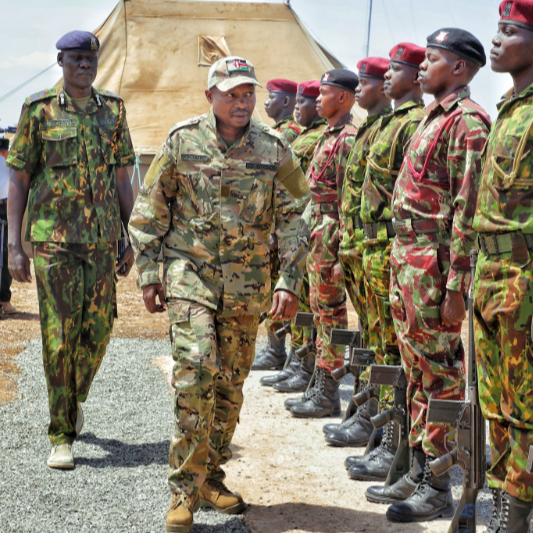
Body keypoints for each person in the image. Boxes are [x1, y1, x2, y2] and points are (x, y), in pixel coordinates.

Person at [128, 56, 309, 533]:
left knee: (229, 386)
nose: (242, 102)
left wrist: (290, 280)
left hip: (248, 288)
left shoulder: (275, 149)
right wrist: (150, 273)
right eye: (231, 94)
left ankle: (211, 476)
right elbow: (149, 213)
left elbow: (296, 217)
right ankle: (183, 491)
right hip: (190, 277)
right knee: (195, 372)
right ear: (210, 96)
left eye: (248, 93)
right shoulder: (181, 141)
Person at [6, 30, 135, 469]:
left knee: (96, 334)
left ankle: (72, 397)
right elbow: (19, 179)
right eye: (77, 58)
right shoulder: (38, 110)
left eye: (90, 59)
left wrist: (128, 235)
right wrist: (14, 246)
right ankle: (61, 433)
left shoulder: (113, 112)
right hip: (54, 242)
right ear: (60, 61)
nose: (85, 66)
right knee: (58, 338)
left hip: (100, 241)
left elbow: (122, 179)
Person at [385, 28, 490, 522]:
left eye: (433, 60)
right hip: (409, 258)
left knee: (443, 375)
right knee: (417, 372)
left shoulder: (469, 124)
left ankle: (440, 482)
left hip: (434, 266)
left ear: (460, 69)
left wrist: (456, 287)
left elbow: (467, 211)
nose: (422, 67)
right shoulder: (433, 117)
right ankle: (421, 467)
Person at [346, 43, 426, 482]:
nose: (388, 77)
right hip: (371, 247)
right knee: (380, 347)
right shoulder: (391, 124)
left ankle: (396, 445)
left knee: (393, 352)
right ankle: (384, 436)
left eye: (397, 70)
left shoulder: (412, 124)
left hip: (393, 249)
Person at [473, 2, 533, 531]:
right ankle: (502, 501)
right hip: (489, 278)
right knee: (497, 401)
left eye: (509, 31)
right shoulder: (511, 107)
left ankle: (518, 515)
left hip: (524, 279)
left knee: (527, 404)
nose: (495, 40)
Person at [324, 57, 392, 447]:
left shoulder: (393, 129)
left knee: (387, 345)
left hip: (384, 251)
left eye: (367, 82)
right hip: (360, 249)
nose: (361, 90)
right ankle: (369, 414)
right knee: (371, 338)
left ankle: (384, 426)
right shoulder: (370, 131)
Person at [285, 69, 358, 419]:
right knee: (318, 307)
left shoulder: (347, 139)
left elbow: (347, 197)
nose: (317, 99)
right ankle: (319, 380)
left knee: (330, 312)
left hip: (332, 231)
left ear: (342, 98)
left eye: (324, 93)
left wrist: (343, 247)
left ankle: (329, 389)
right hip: (318, 228)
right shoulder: (328, 136)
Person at [262, 80, 327, 393]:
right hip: (292, 228)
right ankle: (294, 359)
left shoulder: (299, 135)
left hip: (303, 230)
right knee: (295, 298)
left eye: (305, 101)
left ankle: (303, 363)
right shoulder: (313, 135)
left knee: (305, 300)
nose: (299, 107)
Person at [253, 78, 303, 372]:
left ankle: (278, 351)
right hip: (273, 228)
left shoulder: (289, 135)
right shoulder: (278, 133)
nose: (265, 103)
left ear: (286, 101)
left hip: (281, 230)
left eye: (271, 97)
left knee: (281, 287)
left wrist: (273, 229)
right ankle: (274, 347)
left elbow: (285, 187)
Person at [0, 137, 17, 314]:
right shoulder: (8, 163)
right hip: (5, 207)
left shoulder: (8, 163)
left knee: (5, 256)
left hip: (5, 207)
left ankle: (4, 300)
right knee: (5, 256)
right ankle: (4, 301)